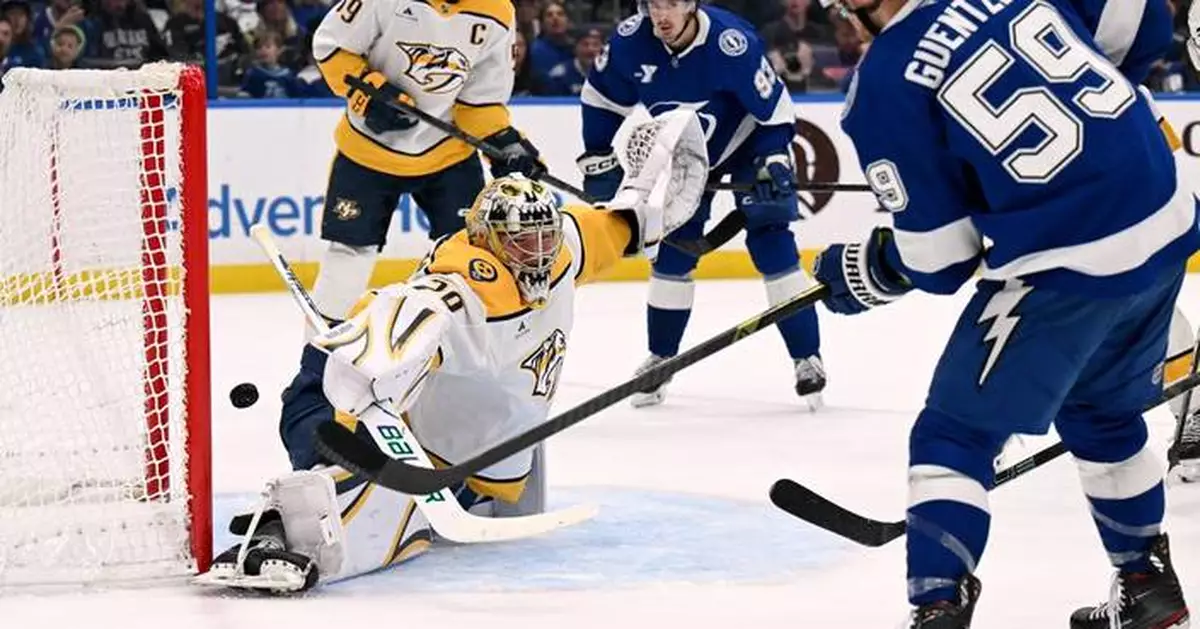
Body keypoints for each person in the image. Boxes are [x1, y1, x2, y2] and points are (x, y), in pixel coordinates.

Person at [197, 111, 707, 593]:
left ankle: (302, 517)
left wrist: (647, 197)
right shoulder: (465, 284)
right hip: (447, 435)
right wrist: (372, 369)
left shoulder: (555, 249)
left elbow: (620, 226)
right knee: (331, 389)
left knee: (345, 415)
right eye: (520, 242)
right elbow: (396, 319)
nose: (536, 252)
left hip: (460, 458)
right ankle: (293, 514)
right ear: (488, 241)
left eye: (541, 238)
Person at [810, 0, 1198, 626]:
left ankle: (937, 608)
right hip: (1166, 217)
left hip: (1072, 257)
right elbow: (1145, 19)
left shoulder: (883, 82)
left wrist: (875, 267)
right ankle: (1145, 583)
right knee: (1100, 415)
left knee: (955, 434)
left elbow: (941, 262)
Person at [580, 0, 825, 409]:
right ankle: (661, 359)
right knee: (672, 255)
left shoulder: (732, 44)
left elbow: (775, 111)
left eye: (672, 3)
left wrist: (774, 159)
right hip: (684, 151)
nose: (662, 15)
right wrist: (597, 155)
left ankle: (807, 358)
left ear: (692, 5)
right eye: (653, 4)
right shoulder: (630, 42)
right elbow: (602, 99)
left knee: (772, 241)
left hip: (747, 144)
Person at [309, 0, 544, 332]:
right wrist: (370, 92)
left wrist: (503, 143)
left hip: (449, 156)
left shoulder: (497, 10)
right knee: (350, 253)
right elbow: (332, 47)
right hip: (367, 152)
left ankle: (468, 352)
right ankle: (320, 360)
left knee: (470, 256)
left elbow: (481, 101)